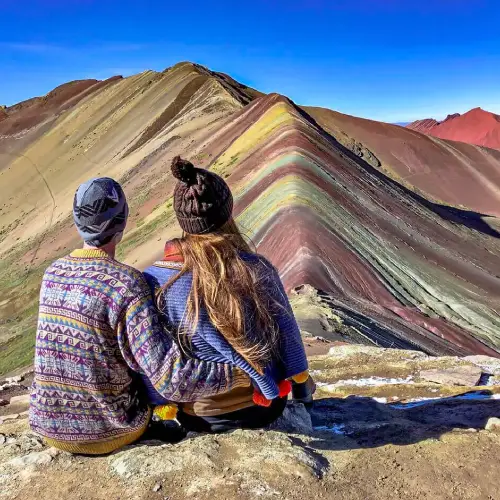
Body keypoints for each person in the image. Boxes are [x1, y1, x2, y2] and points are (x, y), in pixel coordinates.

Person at [29, 177, 249, 455]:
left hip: (47, 427)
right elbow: (170, 379)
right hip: (109, 431)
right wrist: (240, 374)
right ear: (122, 223)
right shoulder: (126, 283)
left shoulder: (53, 272)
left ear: (76, 221)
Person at [142, 157, 315, 433]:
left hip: (197, 415)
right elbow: (288, 335)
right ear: (227, 212)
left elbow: (152, 354)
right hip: (263, 408)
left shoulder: (154, 280)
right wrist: (303, 391)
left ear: (181, 219)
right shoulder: (255, 268)